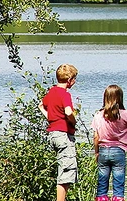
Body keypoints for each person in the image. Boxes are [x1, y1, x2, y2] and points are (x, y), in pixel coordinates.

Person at [39, 63, 79, 201]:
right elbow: (68, 111)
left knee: (63, 169)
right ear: (69, 80)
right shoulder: (64, 94)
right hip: (64, 135)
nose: (74, 82)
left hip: (53, 134)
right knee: (66, 172)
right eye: (74, 79)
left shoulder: (52, 92)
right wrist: (73, 121)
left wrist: (50, 118)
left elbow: (41, 105)